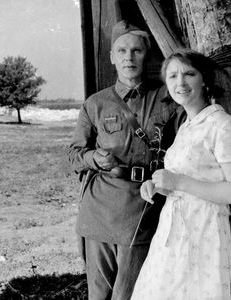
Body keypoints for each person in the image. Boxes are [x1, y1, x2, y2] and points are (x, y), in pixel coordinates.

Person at [68, 20, 184, 300]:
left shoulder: (168, 99)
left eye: (136, 51)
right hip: (100, 211)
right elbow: (74, 156)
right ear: (112, 57)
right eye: (121, 51)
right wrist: (94, 157)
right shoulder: (95, 104)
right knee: (99, 295)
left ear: (147, 54)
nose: (128, 58)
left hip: (144, 210)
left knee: (132, 294)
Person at [130, 49, 231, 300]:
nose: (180, 83)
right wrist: (158, 186)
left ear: (204, 79)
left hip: (203, 231)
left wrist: (178, 182)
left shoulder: (223, 126)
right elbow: (188, 178)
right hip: (173, 230)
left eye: (189, 74)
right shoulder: (187, 125)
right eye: (172, 76)